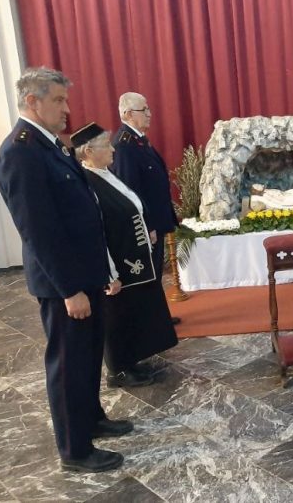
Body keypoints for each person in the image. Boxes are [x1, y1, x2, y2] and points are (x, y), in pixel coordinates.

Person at [0, 67, 132, 473]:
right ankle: (75, 449)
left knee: (88, 355)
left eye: (65, 100)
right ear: (32, 101)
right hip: (64, 284)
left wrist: (97, 273)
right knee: (68, 364)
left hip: (85, 274)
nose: (67, 109)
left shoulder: (49, 145)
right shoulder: (20, 152)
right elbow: (38, 230)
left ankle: (92, 418)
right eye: (58, 100)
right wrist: (70, 289)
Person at [72, 123, 178, 388]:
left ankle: (131, 360)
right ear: (88, 152)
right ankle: (118, 370)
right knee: (116, 316)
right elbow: (96, 233)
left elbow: (131, 204)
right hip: (117, 264)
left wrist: (146, 227)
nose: (112, 149)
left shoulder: (106, 174)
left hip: (132, 259)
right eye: (105, 145)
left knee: (131, 312)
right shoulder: (87, 184)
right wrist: (109, 273)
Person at [110, 92, 181, 325]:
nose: (150, 114)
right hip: (146, 226)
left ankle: (158, 318)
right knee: (148, 274)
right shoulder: (124, 146)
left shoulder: (138, 140)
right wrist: (146, 226)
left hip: (155, 221)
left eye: (148, 109)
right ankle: (152, 322)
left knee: (156, 272)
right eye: (144, 110)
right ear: (128, 114)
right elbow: (130, 192)